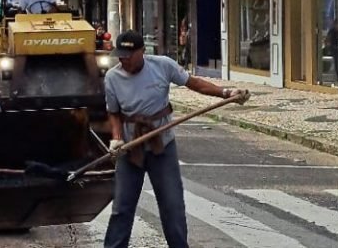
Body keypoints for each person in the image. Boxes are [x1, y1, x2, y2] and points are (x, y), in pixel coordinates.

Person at [103, 30, 249, 248]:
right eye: (120, 54)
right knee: (122, 207)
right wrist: (116, 139)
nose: (123, 58)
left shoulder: (162, 66)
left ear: (142, 52)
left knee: (172, 205)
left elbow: (194, 83)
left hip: (162, 146)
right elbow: (113, 112)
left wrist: (226, 93)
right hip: (129, 147)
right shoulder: (112, 78)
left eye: (128, 54)